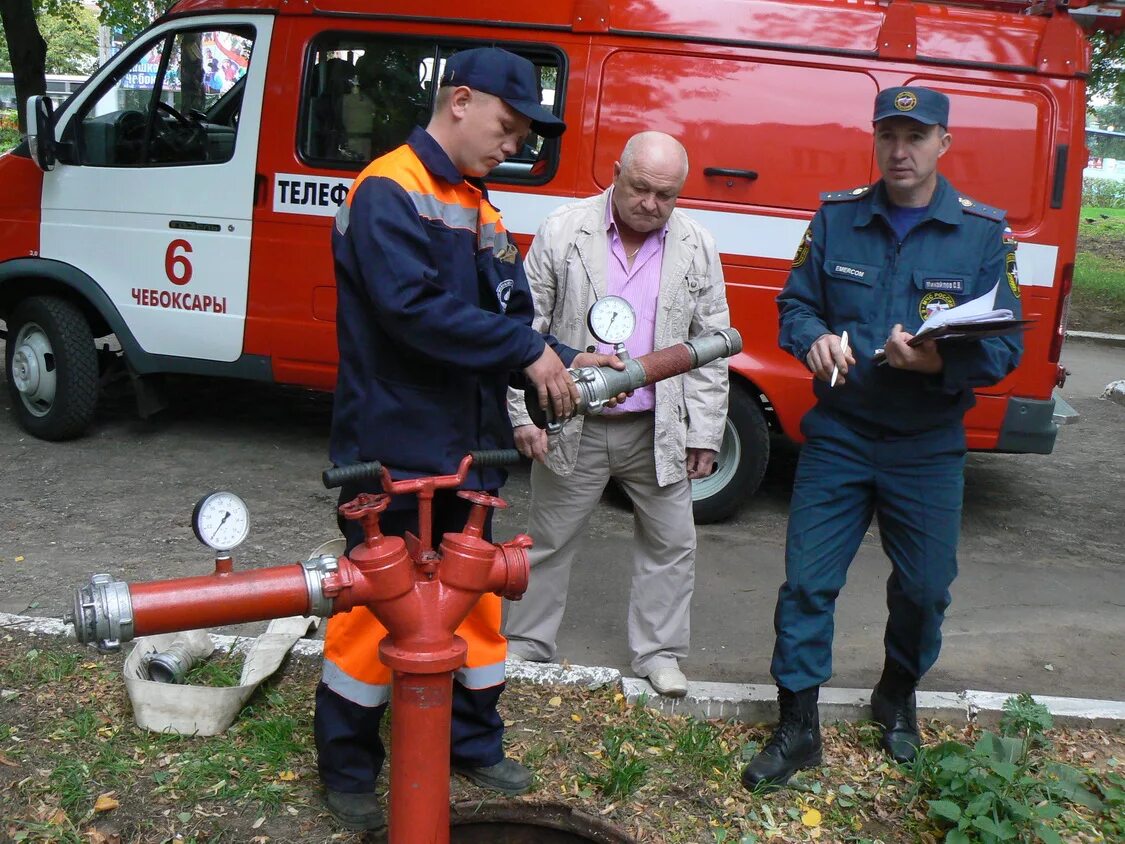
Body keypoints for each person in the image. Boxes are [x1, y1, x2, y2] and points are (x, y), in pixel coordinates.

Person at [317, 46, 620, 831]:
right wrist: (525, 352)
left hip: (469, 440)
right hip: (389, 444)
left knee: (476, 596)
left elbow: (505, 319)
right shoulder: (389, 188)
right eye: (508, 125)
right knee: (370, 611)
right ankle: (349, 769)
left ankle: (471, 742)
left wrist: (555, 349)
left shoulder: (476, 204)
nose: (515, 143)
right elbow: (408, 310)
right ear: (459, 100)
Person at [741, 86, 1023, 789]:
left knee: (925, 591)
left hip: (926, 443)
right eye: (888, 135)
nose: (900, 150)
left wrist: (936, 361)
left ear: (942, 145)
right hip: (839, 433)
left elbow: (1001, 348)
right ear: (875, 140)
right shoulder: (837, 219)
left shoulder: (981, 233)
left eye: (916, 137)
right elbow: (794, 305)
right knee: (807, 584)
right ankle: (797, 725)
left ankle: (895, 694)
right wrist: (813, 341)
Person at [503, 131, 731, 698]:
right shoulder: (563, 229)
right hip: (570, 420)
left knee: (672, 543)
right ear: (615, 172)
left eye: (666, 195)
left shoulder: (697, 244)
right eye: (641, 188)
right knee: (550, 539)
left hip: (656, 427)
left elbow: (710, 346)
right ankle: (529, 643)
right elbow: (519, 332)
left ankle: (659, 654)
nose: (651, 204)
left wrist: (705, 431)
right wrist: (521, 416)